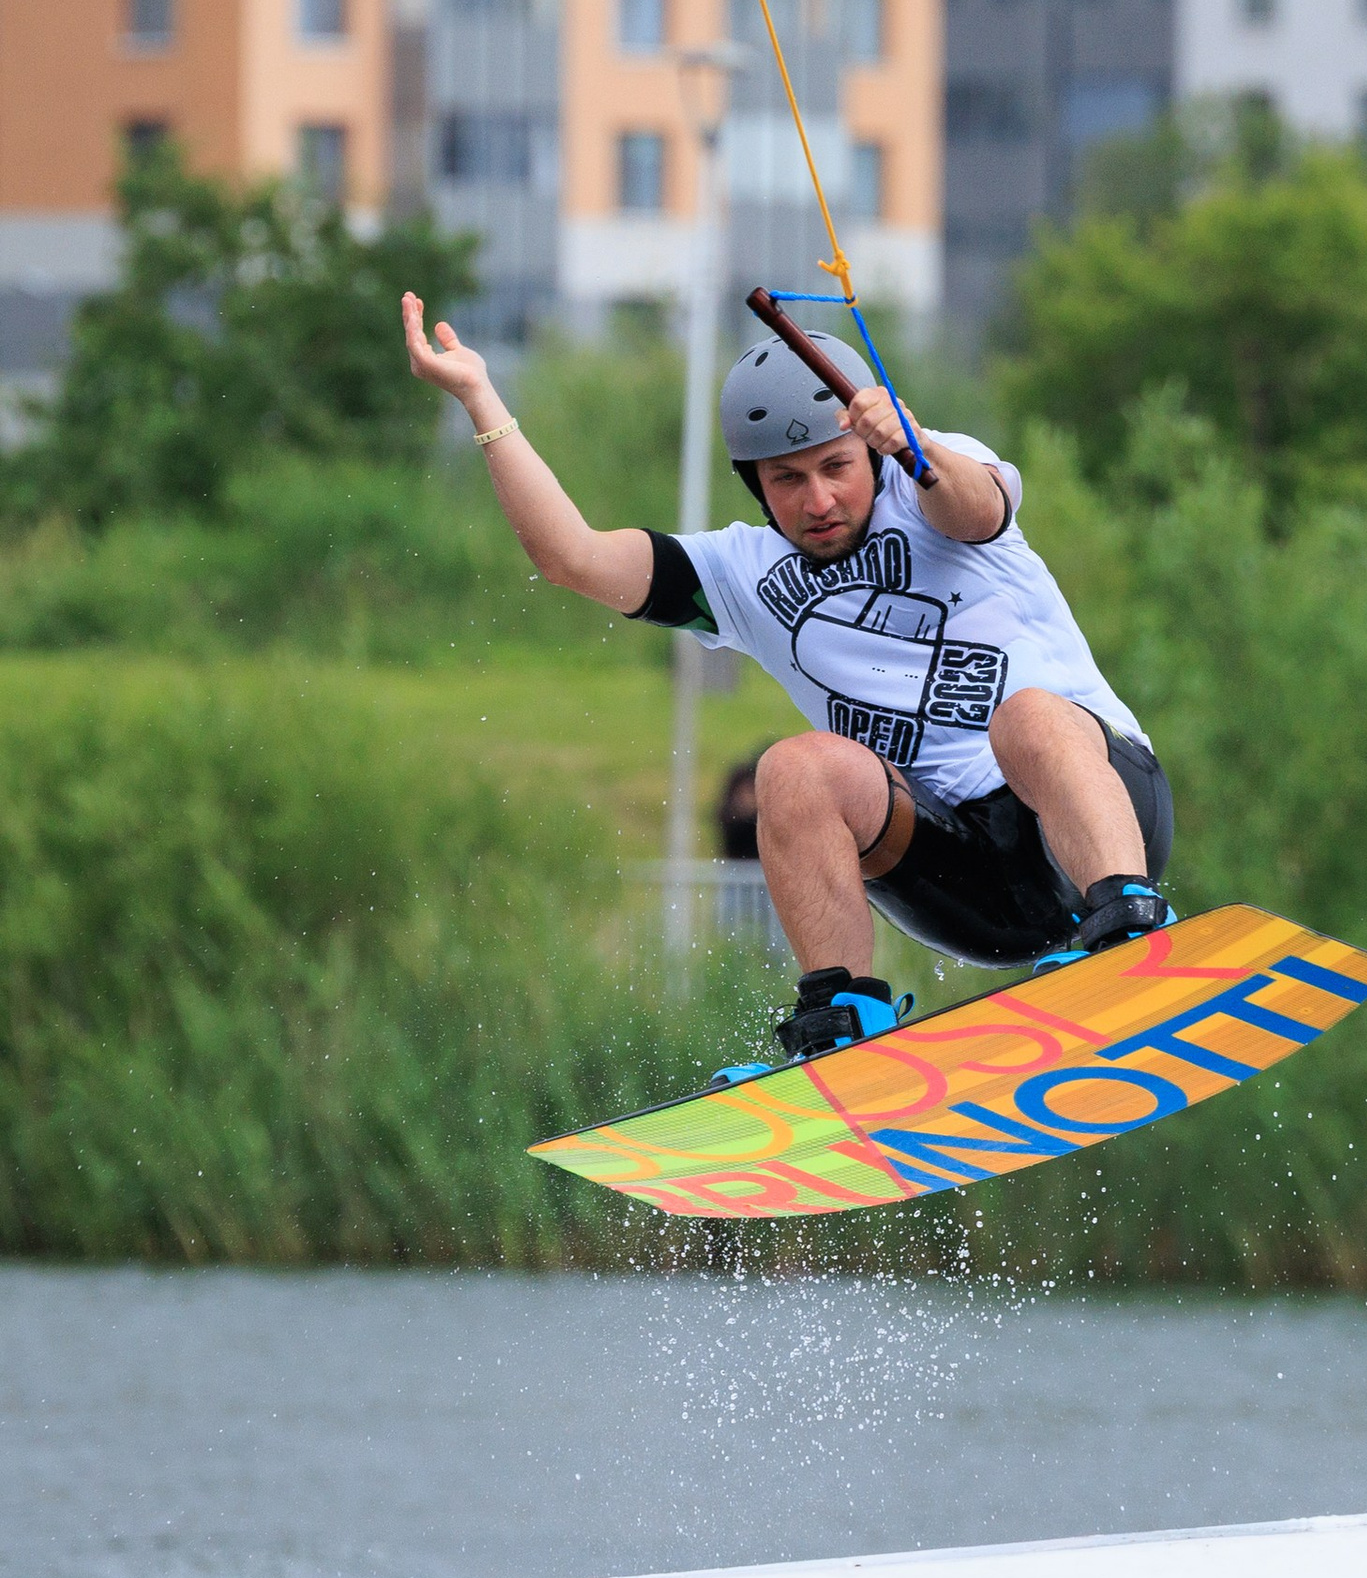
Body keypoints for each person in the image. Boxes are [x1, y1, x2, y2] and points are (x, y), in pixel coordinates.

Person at [401, 293, 1174, 1061]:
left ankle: (1130, 920)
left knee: (1025, 719)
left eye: (836, 468)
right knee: (792, 768)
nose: (820, 501)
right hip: (971, 887)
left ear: (868, 452)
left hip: (1101, 813)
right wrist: (481, 399)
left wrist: (914, 444)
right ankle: (843, 1027)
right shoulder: (742, 572)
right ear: (756, 486)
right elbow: (572, 557)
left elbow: (975, 509)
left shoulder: (928, 476)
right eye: (787, 481)